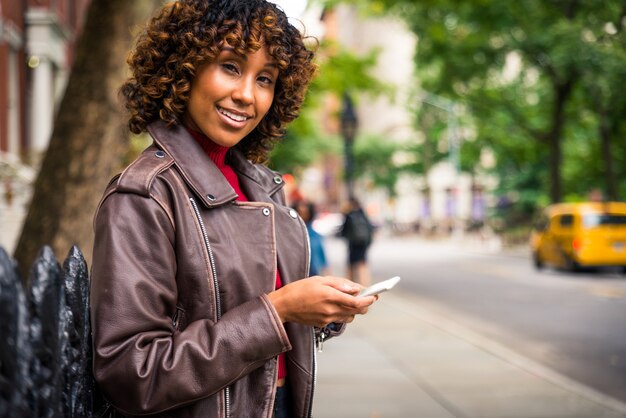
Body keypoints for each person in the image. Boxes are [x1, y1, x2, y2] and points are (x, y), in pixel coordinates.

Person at [89, 1, 377, 417]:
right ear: (184, 68)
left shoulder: (262, 189)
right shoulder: (145, 195)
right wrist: (279, 310)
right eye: (230, 66)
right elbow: (133, 373)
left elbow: (254, 330)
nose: (246, 94)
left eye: (265, 79)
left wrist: (320, 312)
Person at [340, 197, 374, 286]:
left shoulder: (349, 215)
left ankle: (350, 287)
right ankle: (365, 286)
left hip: (353, 245)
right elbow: (370, 229)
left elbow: (343, 232)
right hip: (363, 245)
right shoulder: (363, 214)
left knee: (351, 266)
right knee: (362, 266)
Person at [293, 200, 329, 276]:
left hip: (313, 271)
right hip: (297, 273)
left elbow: (321, 253)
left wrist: (325, 269)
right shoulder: (292, 233)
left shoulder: (314, 234)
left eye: (305, 213)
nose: (302, 216)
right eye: (300, 213)